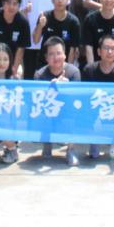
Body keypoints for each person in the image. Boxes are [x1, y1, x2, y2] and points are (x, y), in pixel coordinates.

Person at [82, 34, 114, 161]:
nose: (110, 52)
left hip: (113, 109)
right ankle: (93, 142)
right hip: (95, 108)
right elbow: (85, 96)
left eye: (113, 49)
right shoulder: (89, 70)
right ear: (99, 51)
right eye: (106, 48)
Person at [34, 37, 81, 166]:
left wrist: (66, 89)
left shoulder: (73, 72)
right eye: (51, 54)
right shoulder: (40, 74)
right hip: (48, 111)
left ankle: (71, 150)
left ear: (65, 55)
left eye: (59, 53)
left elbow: (77, 100)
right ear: (46, 58)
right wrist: (51, 90)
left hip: (67, 110)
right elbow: (38, 101)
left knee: (76, 114)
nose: (56, 57)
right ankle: (47, 143)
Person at [21, 0, 55, 78]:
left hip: (49, 40)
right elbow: (21, 14)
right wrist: (26, 10)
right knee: (29, 75)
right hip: (30, 40)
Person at [34, 0, 82, 64]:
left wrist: (67, 67)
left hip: (64, 63)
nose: (60, 1)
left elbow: (73, 49)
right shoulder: (44, 16)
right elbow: (35, 41)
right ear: (52, 0)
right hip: (44, 62)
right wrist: (40, 26)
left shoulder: (74, 21)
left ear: (68, 1)